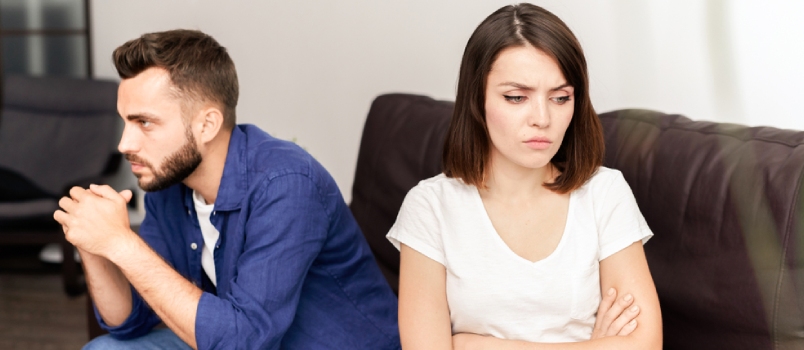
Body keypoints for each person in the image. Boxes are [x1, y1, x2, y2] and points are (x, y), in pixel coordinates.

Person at [54, 29, 400, 349]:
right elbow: (131, 323)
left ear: (207, 125)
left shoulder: (287, 185)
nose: (124, 143)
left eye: (145, 122)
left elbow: (244, 339)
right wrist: (94, 242)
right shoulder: (168, 182)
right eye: (125, 121)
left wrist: (122, 243)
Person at [387, 3, 662, 349]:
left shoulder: (604, 193)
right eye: (517, 97)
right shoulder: (430, 208)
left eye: (560, 98)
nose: (542, 118)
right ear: (477, 100)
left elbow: (646, 344)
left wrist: (475, 345)